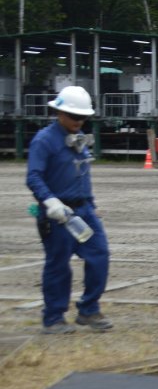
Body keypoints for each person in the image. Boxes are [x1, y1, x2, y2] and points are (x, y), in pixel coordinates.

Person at [26, 86, 112, 334]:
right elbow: (33, 177)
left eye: (83, 117)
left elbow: (82, 174)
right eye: (74, 117)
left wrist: (91, 205)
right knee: (58, 265)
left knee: (100, 255)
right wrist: (50, 202)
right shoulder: (44, 140)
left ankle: (89, 309)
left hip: (83, 211)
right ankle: (54, 317)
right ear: (59, 112)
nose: (79, 121)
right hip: (58, 215)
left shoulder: (78, 138)